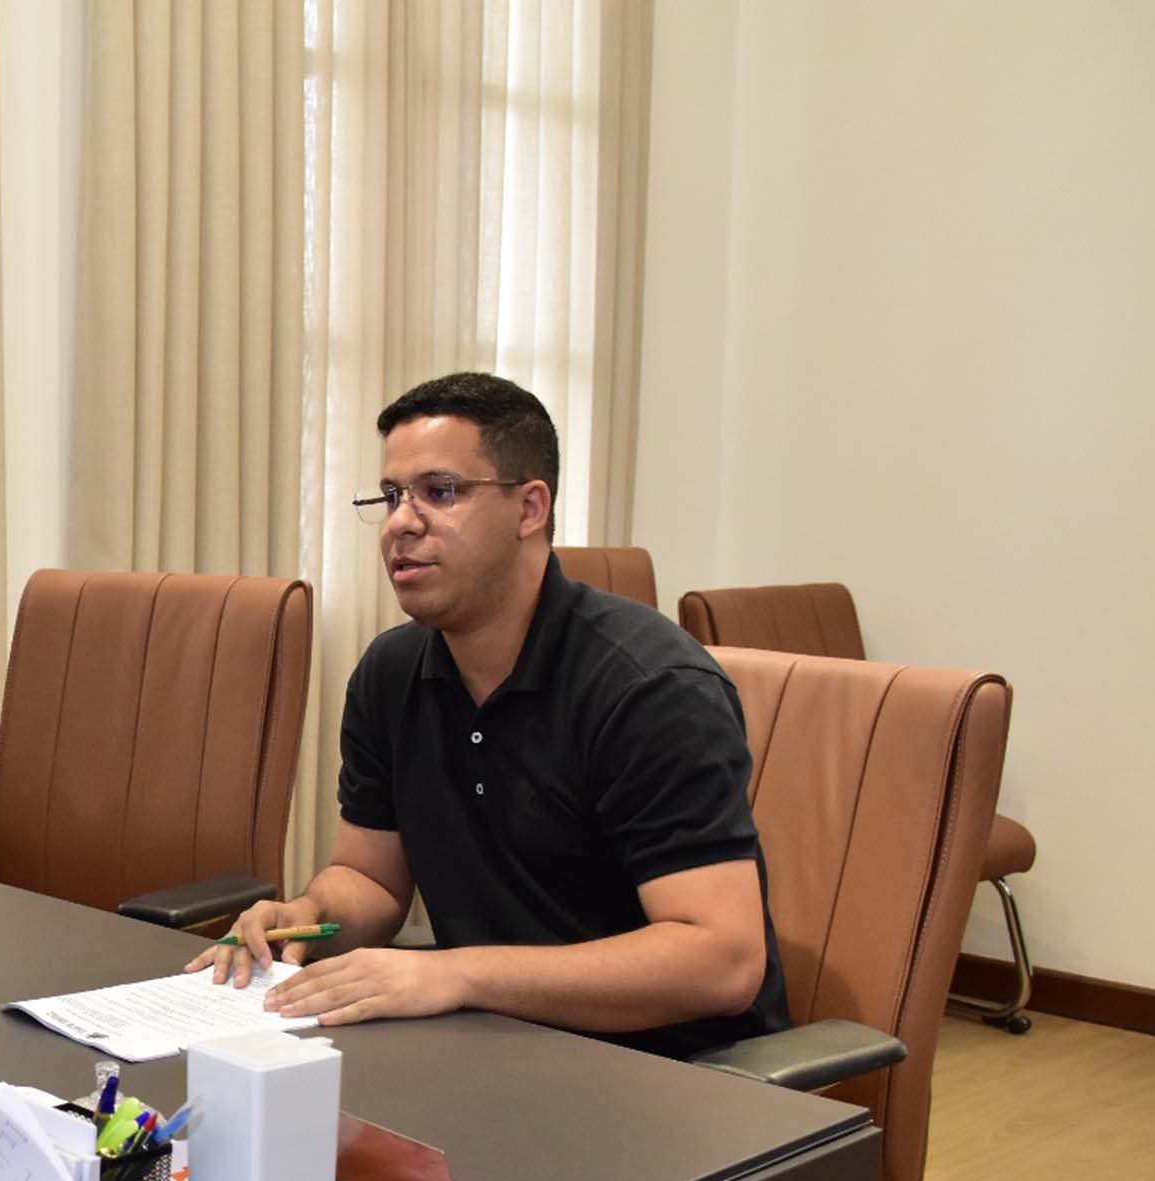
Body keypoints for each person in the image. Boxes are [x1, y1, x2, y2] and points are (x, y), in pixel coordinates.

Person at [193, 371, 789, 1061]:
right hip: (494, 1045)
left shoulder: (648, 689)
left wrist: (455, 973)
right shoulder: (390, 675)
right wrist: (311, 915)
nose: (400, 523)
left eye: (439, 492)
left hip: (673, 1071)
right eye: (391, 497)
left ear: (530, 508)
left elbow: (721, 962)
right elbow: (373, 880)